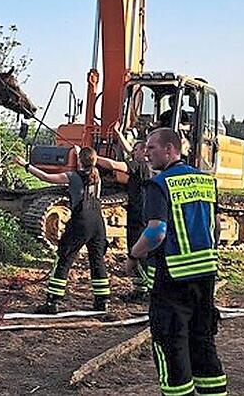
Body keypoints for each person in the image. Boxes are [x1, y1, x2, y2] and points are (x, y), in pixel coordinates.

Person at [127, 128, 227, 396]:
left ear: (170, 149)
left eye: (151, 148)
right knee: (202, 341)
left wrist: (134, 255)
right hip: (206, 275)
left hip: (172, 278)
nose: (146, 154)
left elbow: (156, 232)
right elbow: (217, 226)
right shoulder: (206, 181)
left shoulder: (159, 184)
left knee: (171, 344)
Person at [15, 147, 111, 313]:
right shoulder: (96, 176)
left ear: (79, 160)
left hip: (80, 221)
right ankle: (102, 301)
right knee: (97, 260)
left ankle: (52, 302)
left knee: (64, 259)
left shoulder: (72, 176)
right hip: (97, 222)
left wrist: (26, 165)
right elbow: (87, 164)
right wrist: (81, 153)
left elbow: (45, 177)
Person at [95, 123, 155, 302]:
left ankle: (146, 289)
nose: (131, 152)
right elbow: (129, 149)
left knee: (137, 250)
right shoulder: (150, 165)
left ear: (143, 151)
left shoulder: (138, 166)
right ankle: (141, 288)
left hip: (138, 215)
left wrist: (93, 157)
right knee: (143, 251)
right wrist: (118, 133)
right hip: (146, 213)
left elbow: (114, 164)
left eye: (135, 150)